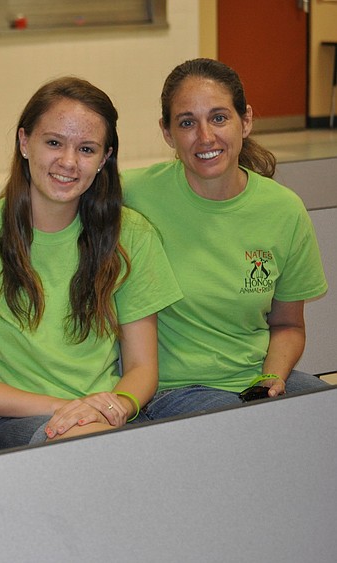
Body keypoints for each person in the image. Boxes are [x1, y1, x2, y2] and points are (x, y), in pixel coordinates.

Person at [0, 77, 182, 456]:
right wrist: (65, 410)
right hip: (2, 421)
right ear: (23, 142)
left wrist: (120, 404)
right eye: (53, 143)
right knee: (98, 452)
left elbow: (142, 367)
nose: (68, 161)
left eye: (86, 149)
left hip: (101, 418)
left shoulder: (131, 236)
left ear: (105, 158)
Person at [122, 58, 330, 421]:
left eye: (219, 118)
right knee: (243, 432)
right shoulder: (134, 195)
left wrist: (272, 378)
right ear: (167, 132)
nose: (205, 137)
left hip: (256, 379)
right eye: (187, 123)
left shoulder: (283, 210)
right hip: (174, 389)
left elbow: (288, 325)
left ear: (245, 121)